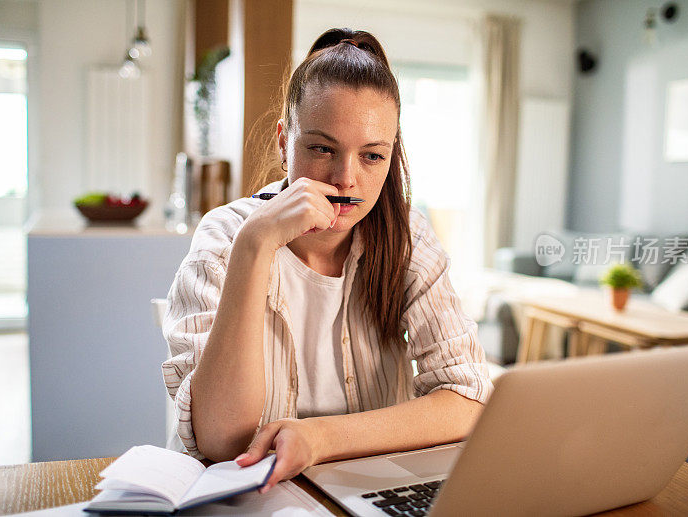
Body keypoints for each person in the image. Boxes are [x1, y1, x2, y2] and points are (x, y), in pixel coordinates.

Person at [161, 28, 492, 494]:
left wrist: (319, 438)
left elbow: (469, 398)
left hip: (364, 490)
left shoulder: (407, 239)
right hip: (252, 497)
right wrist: (255, 245)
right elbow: (220, 439)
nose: (344, 179)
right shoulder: (227, 235)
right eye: (321, 149)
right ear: (283, 143)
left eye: (372, 156)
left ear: (391, 156)